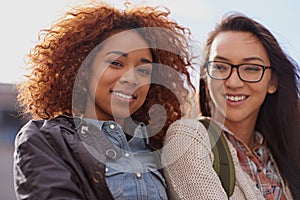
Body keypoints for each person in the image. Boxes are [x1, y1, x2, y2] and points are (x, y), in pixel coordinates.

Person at [13, 1, 195, 199]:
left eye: (143, 70)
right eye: (116, 63)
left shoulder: (161, 148)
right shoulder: (47, 140)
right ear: (83, 69)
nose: (131, 78)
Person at [162, 12, 300, 199]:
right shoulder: (188, 137)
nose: (233, 82)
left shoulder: (282, 155)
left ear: (273, 82)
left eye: (251, 68)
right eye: (220, 67)